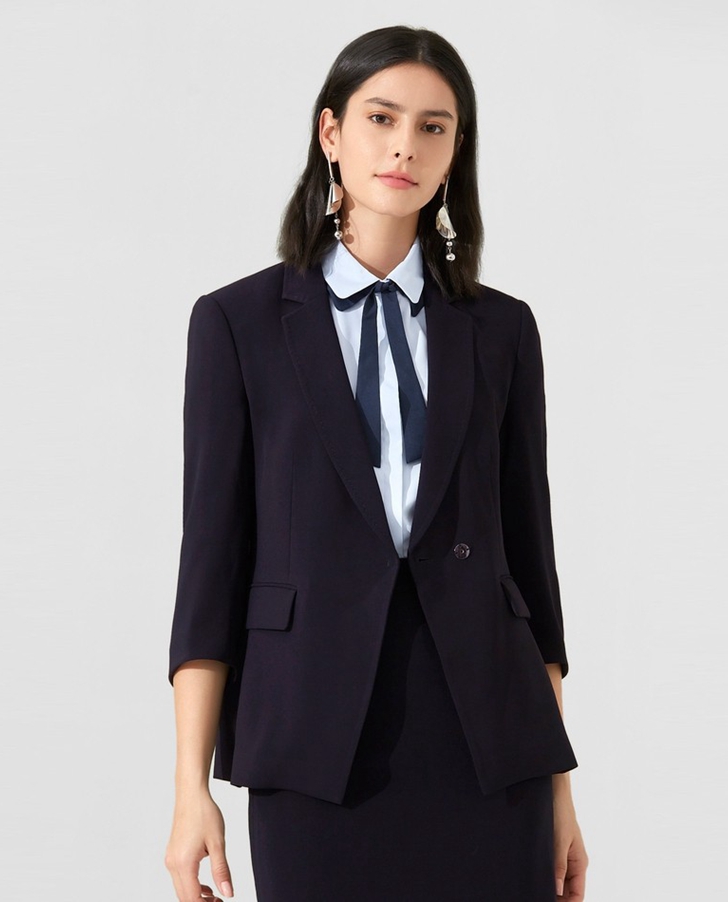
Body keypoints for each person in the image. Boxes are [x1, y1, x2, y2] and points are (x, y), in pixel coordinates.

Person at [164, 24, 589, 902]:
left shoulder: (502, 330)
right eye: (381, 118)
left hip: (491, 742)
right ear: (331, 133)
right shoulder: (239, 325)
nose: (405, 147)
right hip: (312, 738)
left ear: (456, 151)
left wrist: (560, 792)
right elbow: (209, 572)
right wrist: (188, 789)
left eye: (434, 127)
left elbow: (530, 572)